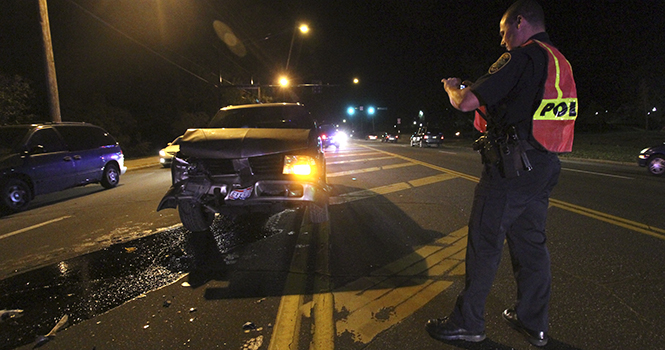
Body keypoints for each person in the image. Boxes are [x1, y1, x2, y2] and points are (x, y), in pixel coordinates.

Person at [426, 0, 577, 347]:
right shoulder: (558, 61)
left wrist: (452, 87)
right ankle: (532, 322)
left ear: (520, 23)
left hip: (511, 169)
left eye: (504, 31)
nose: (502, 41)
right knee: (531, 246)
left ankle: (468, 323)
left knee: (484, 242)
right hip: (544, 165)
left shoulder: (522, 57)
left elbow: (466, 101)